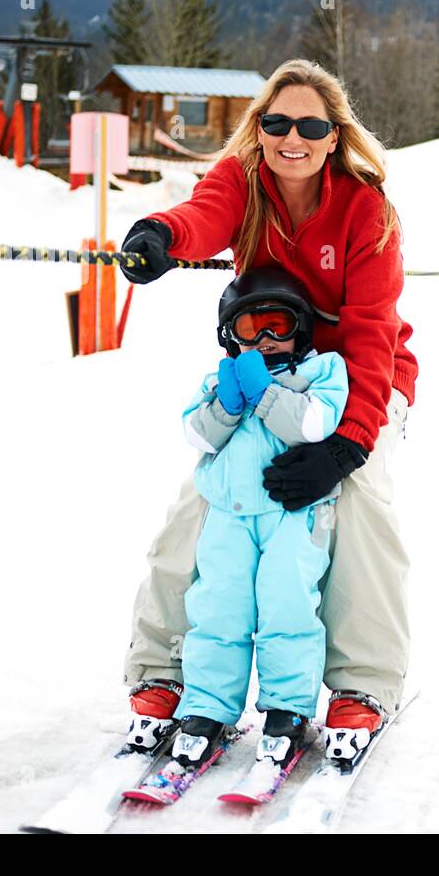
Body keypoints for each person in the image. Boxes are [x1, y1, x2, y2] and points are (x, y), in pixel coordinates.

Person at [118, 59, 417, 765]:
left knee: (360, 501)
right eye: (277, 122)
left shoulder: (364, 208)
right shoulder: (242, 183)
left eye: (311, 125)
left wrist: (347, 444)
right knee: (203, 504)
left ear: (334, 135)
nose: (293, 138)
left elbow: (373, 332)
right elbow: (201, 216)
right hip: (269, 376)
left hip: (359, 385)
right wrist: (162, 235)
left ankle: (363, 684)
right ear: (260, 129)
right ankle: (165, 670)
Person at [169, 267, 347, 771]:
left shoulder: (321, 372)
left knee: (287, 606)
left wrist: (267, 395)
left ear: (301, 329)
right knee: (218, 609)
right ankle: (207, 708)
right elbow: (198, 439)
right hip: (229, 518)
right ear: (231, 335)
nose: (266, 340)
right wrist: (225, 405)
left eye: (277, 325)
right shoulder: (218, 380)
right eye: (251, 329)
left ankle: (287, 709)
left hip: (293, 517)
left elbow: (314, 425)